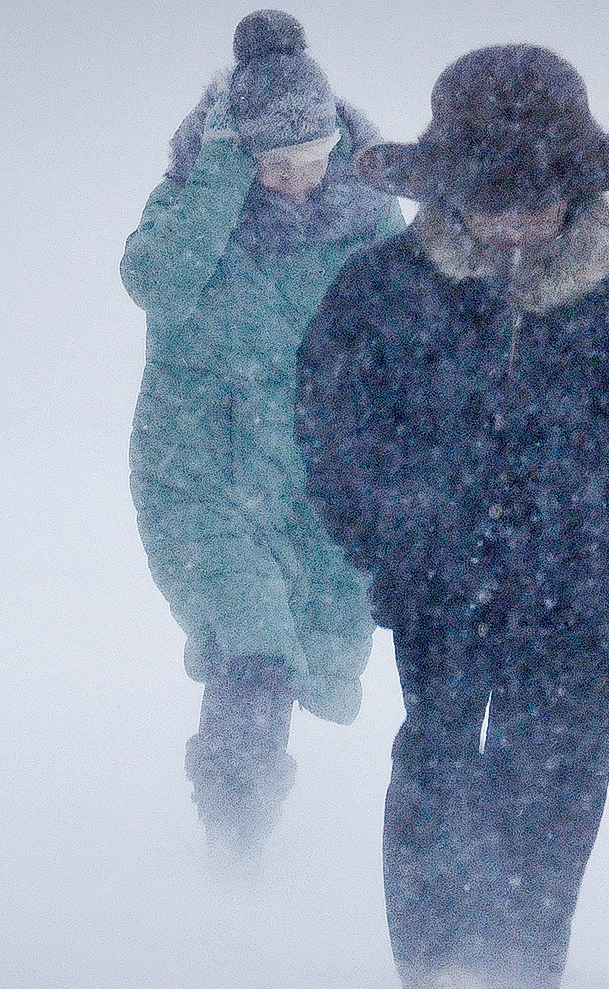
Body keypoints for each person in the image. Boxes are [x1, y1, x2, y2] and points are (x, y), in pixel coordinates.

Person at [295, 45, 609, 989]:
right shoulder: (383, 292)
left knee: (558, 776)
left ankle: (523, 973)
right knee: (441, 763)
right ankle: (440, 973)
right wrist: (390, 545)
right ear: (448, 195)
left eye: (535, 198)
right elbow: (331, 429)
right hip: (436, 582)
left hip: (577, 588)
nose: (513, 222)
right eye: (491, 198)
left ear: (575, 193)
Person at [120, 10, 402, 867]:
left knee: (310, 647)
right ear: (242, 154)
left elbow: (407, 328)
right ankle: (234, 839)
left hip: (315, 478)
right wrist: (216, 180)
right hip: (200, 477)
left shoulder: (367, 219)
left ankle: (251, 827)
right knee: (257, 648)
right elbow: (152, 282)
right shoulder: (195, 209)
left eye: (310, 163)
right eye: (275, 165)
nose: (296, 184)